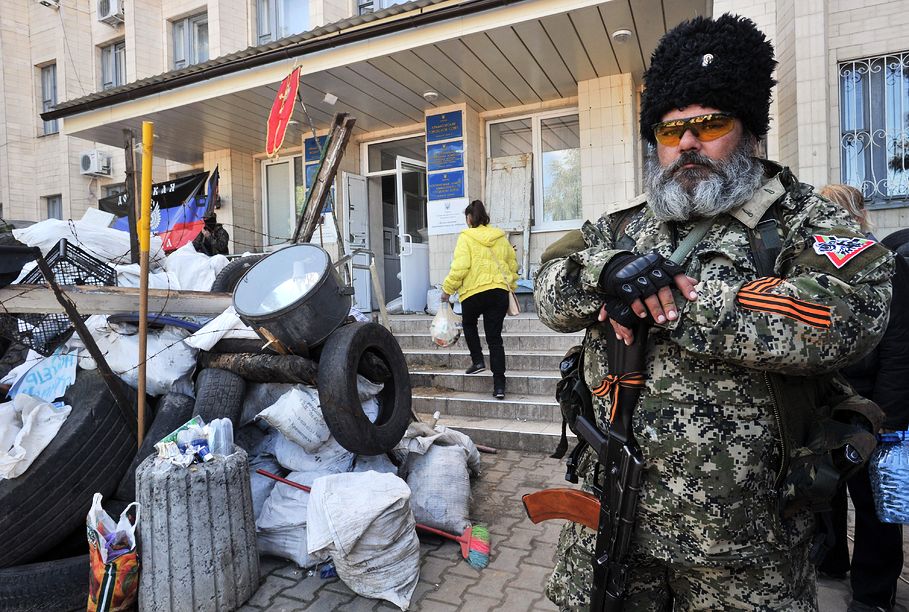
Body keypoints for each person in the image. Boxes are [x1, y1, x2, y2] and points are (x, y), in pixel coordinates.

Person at [534, 14, 894, 611]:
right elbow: (548, 291)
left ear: (750, 133)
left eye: (710, 124)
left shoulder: (804, 221)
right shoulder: (623, 228)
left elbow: (852, 313)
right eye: (671, 130)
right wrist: (602, 274)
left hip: (745, 547)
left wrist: (672, 305)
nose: (688, 143)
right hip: (615, 521)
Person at [817, 184, 909, 612]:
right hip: (824, 401)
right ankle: (830, 561)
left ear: (857, 217)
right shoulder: (814, 267)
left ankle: (873, 594)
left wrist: (888, 416)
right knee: (822, 491)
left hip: (872, 404)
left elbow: (899, 345)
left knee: (874, 504)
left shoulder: (886, 265)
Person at [440, 200, 517, 400]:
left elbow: (460, 267)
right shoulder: (500, 237)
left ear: (470, 218)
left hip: (473, 293)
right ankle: (499, 387)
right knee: (495, 340)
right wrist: (510, 285)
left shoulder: (466, 237)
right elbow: (512, 264)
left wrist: (447, 290)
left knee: (468, 323)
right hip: (498, 292)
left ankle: (478, 360)